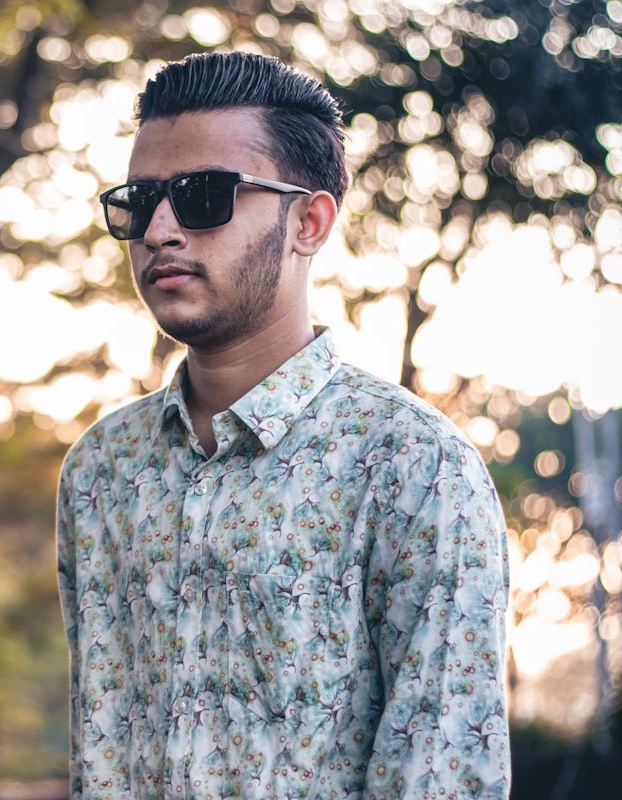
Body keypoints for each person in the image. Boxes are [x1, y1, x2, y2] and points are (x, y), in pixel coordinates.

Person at [56, 51, 510, 799]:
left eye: (203, 196)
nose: (161, 229)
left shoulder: (412, 466)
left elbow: (442, 774)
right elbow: (99, 753)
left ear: (309, 220)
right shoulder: (102, 470)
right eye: (141, 202)